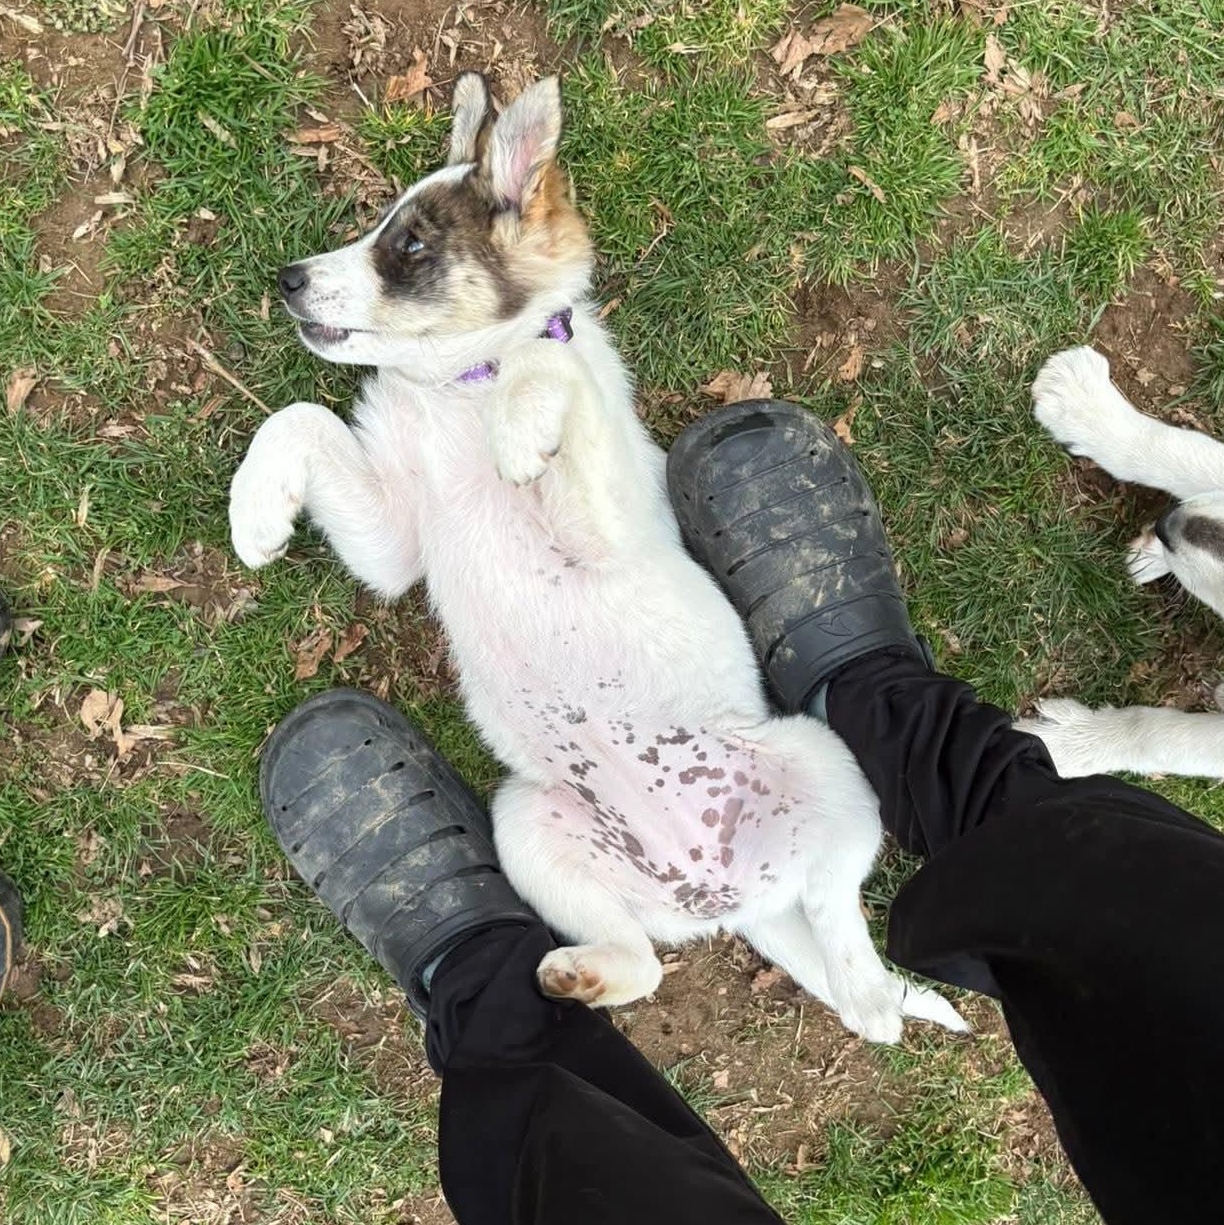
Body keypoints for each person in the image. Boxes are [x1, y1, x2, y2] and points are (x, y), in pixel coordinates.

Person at [259, 402, 1224, 1225]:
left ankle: (482, 983)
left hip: (646, 794)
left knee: (566, 1164)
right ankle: (880, 704)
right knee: (1159, 929)